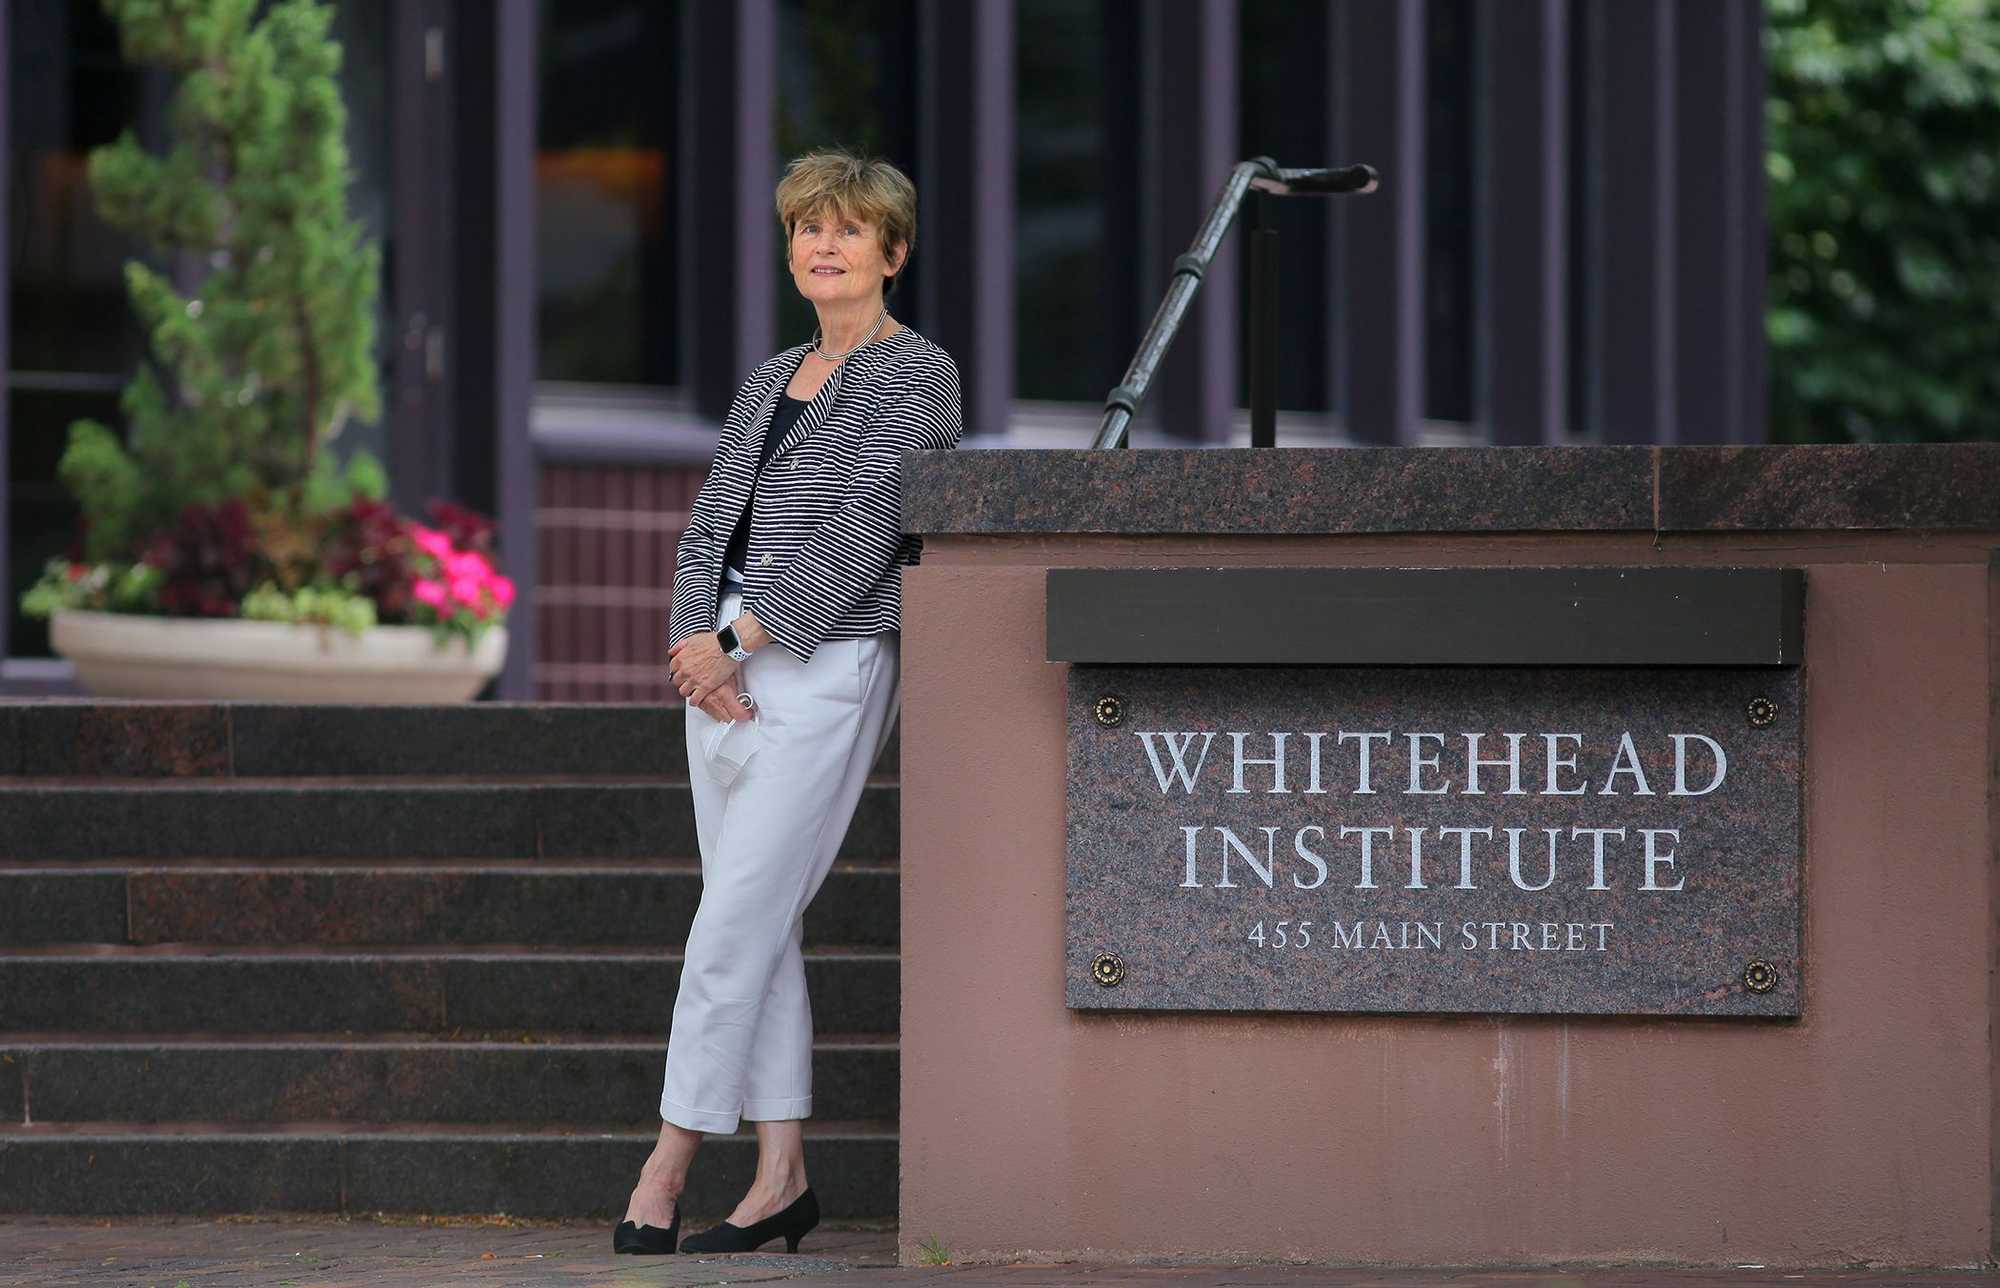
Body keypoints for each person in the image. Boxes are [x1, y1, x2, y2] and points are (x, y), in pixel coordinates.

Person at [614, 148, 963, 1256]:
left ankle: (667, 1160)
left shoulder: (920, 377)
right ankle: (780, 1178)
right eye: (807, 227)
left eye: (848, 229)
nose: (822, 244)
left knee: (732, 918)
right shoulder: (767, 379)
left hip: (820, 662)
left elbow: (871, 528)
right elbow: (710, 514)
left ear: (890, 252)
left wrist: (737, 639)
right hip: (716, 667)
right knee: (757, 915)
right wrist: (690, 638)